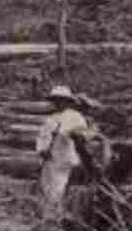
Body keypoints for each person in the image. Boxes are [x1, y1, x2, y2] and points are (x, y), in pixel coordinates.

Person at [36, 85, 97, 223]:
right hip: (51, 159)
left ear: (68, 102)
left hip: (66, 158)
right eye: (56, 100)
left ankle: (59, 217)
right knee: (48, 187)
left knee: (60, 187)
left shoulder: (75, 117)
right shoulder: (51, 118)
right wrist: (42, 149)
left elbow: (82, 135)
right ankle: (49, 216)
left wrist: (67, 133)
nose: (58, 103)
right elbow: (42, 137)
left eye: (61, 100)